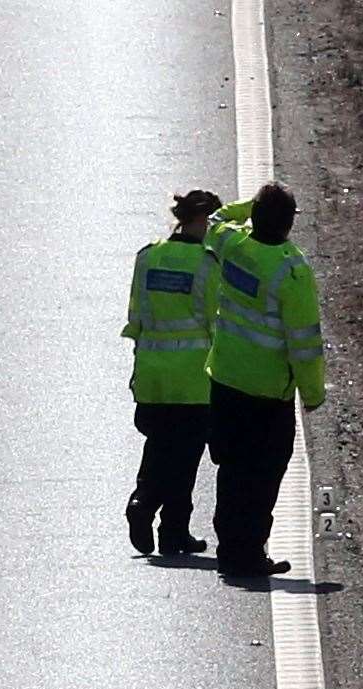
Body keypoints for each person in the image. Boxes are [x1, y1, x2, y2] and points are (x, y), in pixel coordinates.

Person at [204, 182, 326, 575]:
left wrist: (249, 207)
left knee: (233, 469)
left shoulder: (234, 247)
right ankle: (249, 553)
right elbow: (304, 341)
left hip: (225, 380)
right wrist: (312, 393)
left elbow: (216, 219)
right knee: (263, 475)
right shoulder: (292, 271)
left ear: (255, 218)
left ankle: (229, 547)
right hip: (267, 394)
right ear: (289, 224)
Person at [121, 189, 223, 555]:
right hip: (192, 378)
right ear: (202, 221)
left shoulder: (148, 257)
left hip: (152, 374)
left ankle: (145, 505)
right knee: (185, 455)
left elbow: (136, 317)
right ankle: (168, 525)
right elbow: (217, 323)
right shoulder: (207, 265)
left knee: (160, 445)